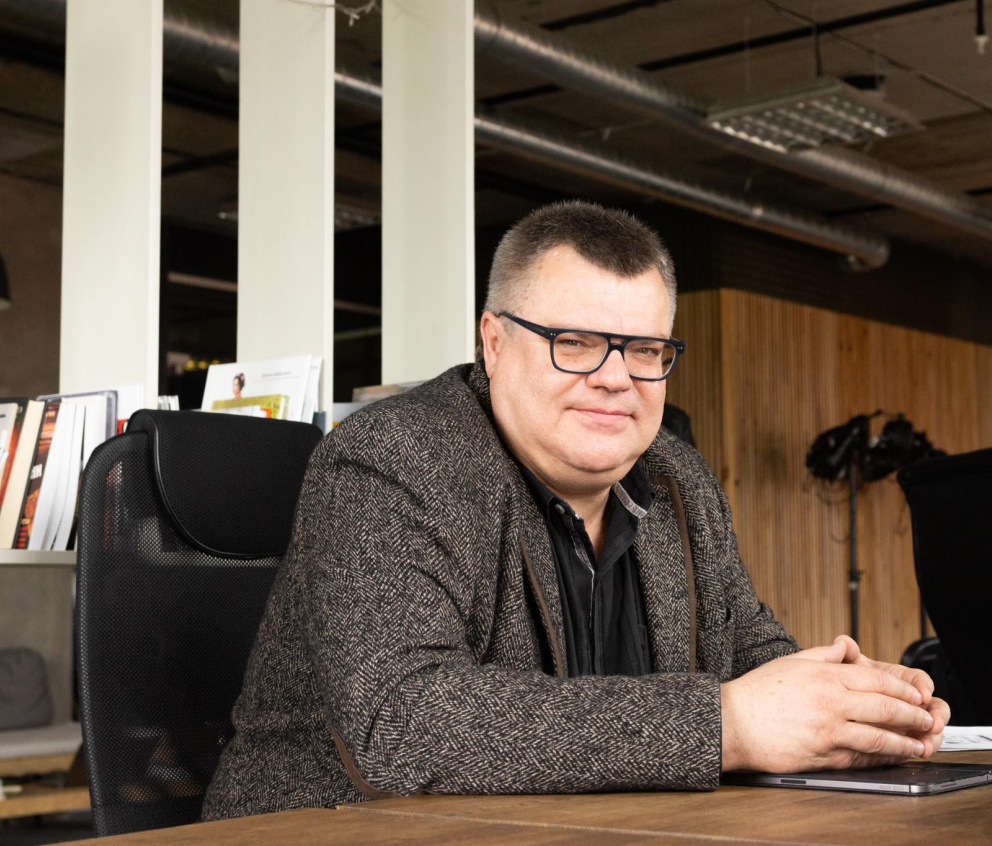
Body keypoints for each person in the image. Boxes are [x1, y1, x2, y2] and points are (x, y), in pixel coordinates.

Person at [202, 201, 948, 820]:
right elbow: (404, 722)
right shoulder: (392, 460)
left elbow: (749, 657)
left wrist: (858, 709)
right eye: (576, 343)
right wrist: (729, 724)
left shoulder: (677, 479)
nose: (617, 378)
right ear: (494, 342)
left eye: (646, 350)